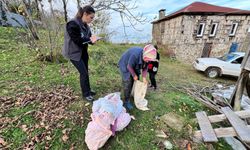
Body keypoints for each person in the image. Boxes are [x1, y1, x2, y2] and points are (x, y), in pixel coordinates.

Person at [62, 5, 98, 101]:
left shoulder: (86, 27)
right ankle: (86, 94)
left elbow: (88, 39)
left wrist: (93, 40)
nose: (92, 20)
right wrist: (89, 39)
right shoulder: (72, 24)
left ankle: (88, 90)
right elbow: (77, 40)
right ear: (85, 14)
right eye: (91, 17)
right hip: (73, 53)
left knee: (86, 71)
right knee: (83, 73)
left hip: (83, 52)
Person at [118, 44, 157, 110]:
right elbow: (129, 66)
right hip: (125, 64)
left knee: (136, 80)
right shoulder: (135, 55)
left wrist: (144, 78)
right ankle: (126, 101)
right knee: (127, 82)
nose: (148, 61)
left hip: (134, 65)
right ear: (144, 55)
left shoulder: (148, 57)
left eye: (149, 60)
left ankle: (133, 93)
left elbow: (145, 67)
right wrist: (133, 75)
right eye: (147, 60)